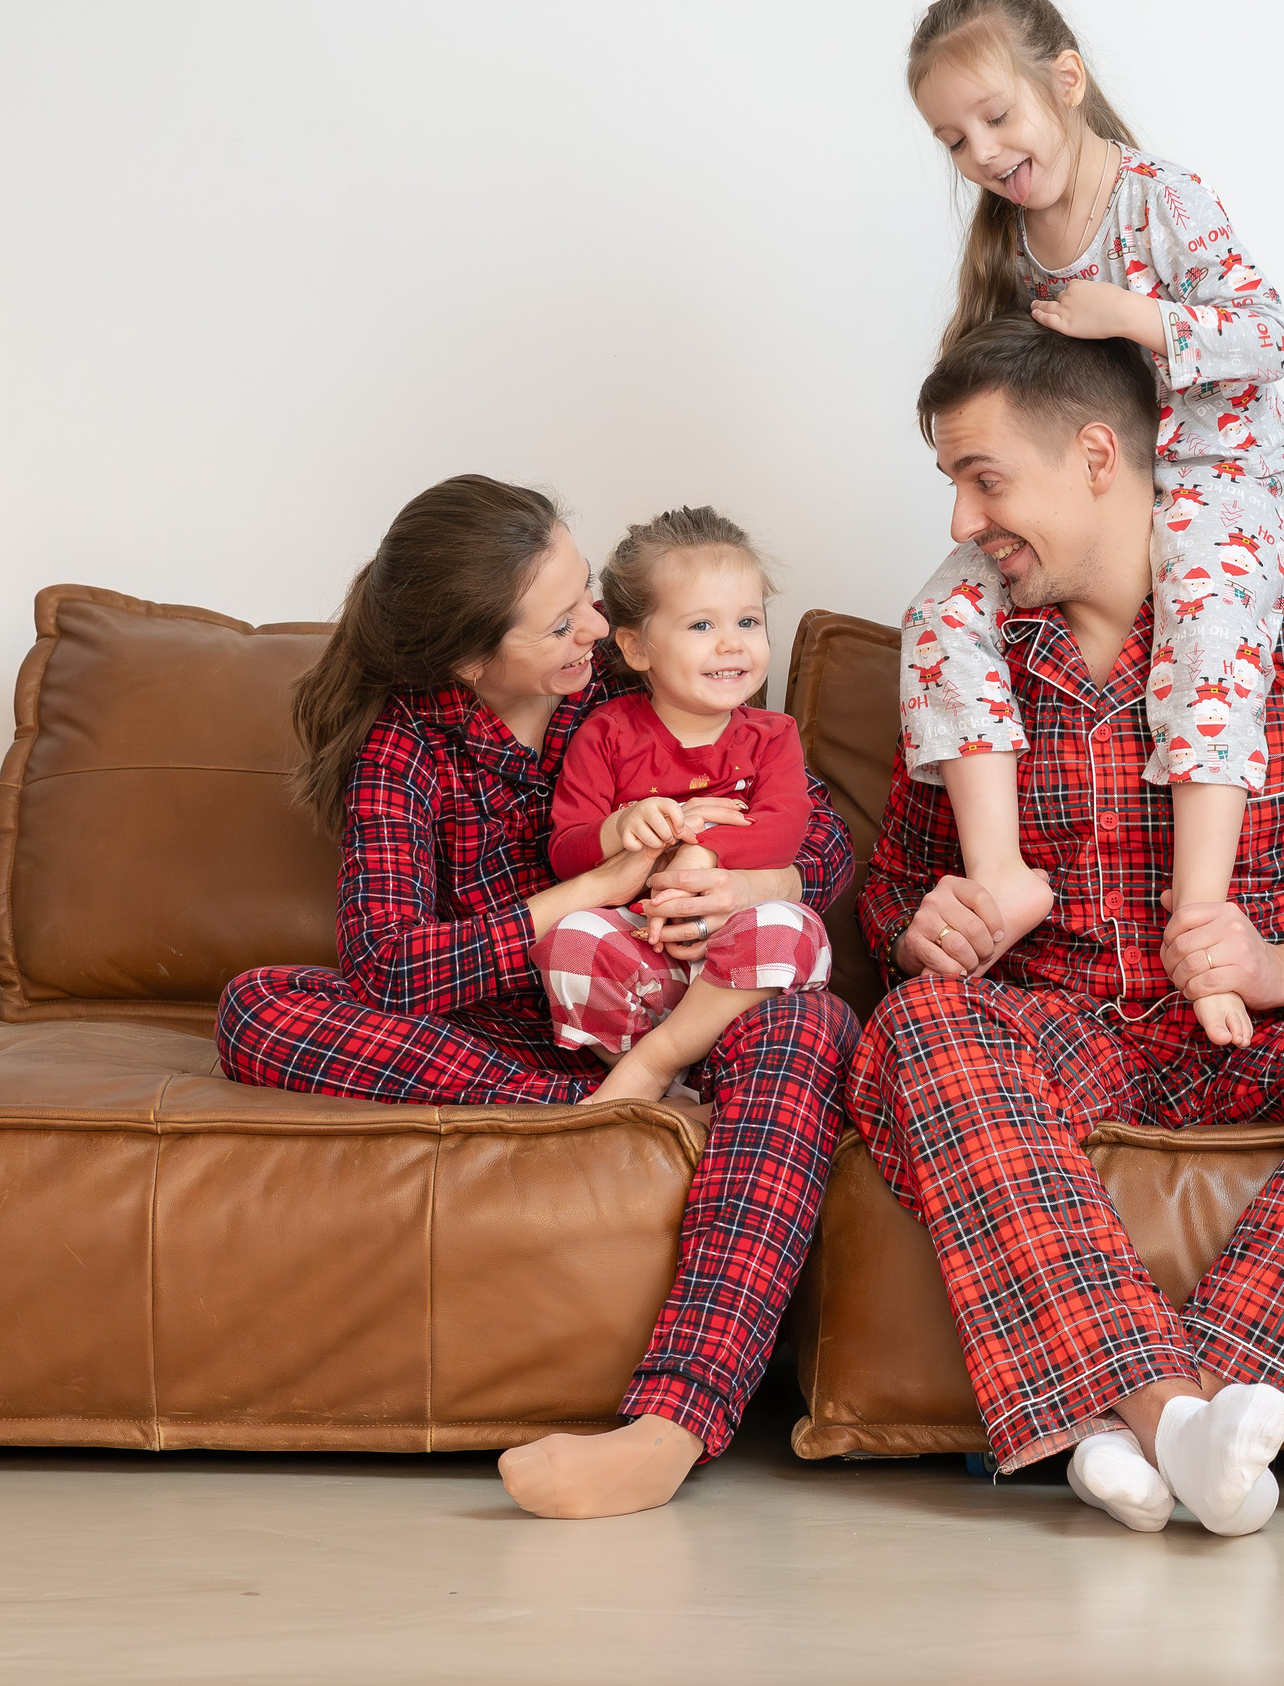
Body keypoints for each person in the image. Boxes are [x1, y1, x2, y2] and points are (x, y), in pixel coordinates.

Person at [851, 317, 1284, 1536]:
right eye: (952, 484)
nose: (962, 522)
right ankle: (1172, 1412)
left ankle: (1189, 1406)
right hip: (1068, 1030)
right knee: (921, 1028)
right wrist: (925, 926)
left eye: (985, 478)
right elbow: (894, 885)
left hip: (1273, 1034)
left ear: (1098, 455)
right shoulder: (966, 653)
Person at [216, 475, 857, 1521]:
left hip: (678, 1001)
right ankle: (590, 1109)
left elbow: (818, 828)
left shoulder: (628, 675)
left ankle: (672, 1422)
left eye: (594, 606)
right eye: (565, 621)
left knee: (810, 1024)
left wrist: (745, 884)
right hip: (509, 1044)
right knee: (255, 1003)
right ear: (472, 658)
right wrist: (588, 893)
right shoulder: (408, 748)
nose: (599, 629)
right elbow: (387, 965)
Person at [897, 0, 1284, 1048]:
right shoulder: (1008, 241)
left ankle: (1199, 909)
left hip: (1212, 470)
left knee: (1207, 627)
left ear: (1064, 81)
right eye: (952, 137)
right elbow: (998, 396)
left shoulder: (1160, 200)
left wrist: (1136, 320)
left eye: (995, 116)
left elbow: (1266, 333)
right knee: (935, 616)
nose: (980, 150)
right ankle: (1000, 873)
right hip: (1099, 495)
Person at [539, 507, 834, 1105]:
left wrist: (700, 851)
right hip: (643, 944)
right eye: (701, 626)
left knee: (787, 925)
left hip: (737, 945)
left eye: (749, 620)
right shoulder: (606, 733)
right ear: (637, 648)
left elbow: (782, 833)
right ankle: (662, 1086)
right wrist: (620, 829)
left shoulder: (773, 735)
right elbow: (566, 852)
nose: (733, 643)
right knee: (570, 940)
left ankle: (651, 1067)